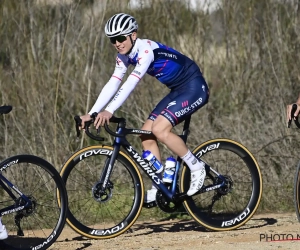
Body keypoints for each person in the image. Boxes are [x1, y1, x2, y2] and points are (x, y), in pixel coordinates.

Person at [80, 13, 209, 203]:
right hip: (177, 89)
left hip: (194, 87)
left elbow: (130, 83)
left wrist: (110, 110)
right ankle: (160, 187)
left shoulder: (146, 50)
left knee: (159, 129)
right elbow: (113, 83)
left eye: (121, 38)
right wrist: (92, 113)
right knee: (146, 134)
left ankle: (197, 167)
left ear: (133, 35)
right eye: (112, 40)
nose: (117, 43)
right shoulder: (123, 57)